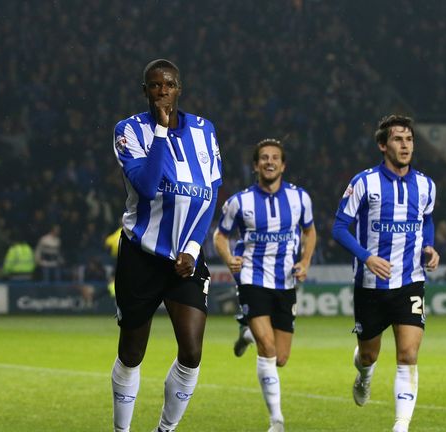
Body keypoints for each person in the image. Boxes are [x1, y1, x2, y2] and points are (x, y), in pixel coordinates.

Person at [110, 58, 221, 432]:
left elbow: (211, 194)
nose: (162, 91)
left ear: (179, 88)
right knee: (131, 353)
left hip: (185, 260)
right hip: (141, 255)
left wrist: (192, 247)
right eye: (155, 85)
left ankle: (164, 430)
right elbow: (146, 184)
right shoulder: (128, 131)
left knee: (191, 351)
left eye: (169, 84)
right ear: (145, 91)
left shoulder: (205, 130)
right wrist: (160, 130)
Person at [332, 115, 440, 432]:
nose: (405, 145)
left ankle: (400, 425)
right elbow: (339, 228)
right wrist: (367, 258)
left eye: (409, 139)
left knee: (408, 354)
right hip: (370, 285)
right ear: (383, 145)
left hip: (411, 280)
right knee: (369, 355)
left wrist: (430, 248)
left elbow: (428, 221)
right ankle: (364, 375)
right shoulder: (364, 182)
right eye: (397, 139)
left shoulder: (426, 185)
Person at [213, 139, 316, 432]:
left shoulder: (299, 198)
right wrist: (228, 257)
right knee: (268, 349)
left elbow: (310, 232)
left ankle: (246, 333)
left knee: (281, 358)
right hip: (252, 279)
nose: (269, 162)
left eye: (275, 158)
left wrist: (305, 262)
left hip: (285, 282)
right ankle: (277, 421)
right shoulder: (239, 202)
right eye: (264, 158)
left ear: (282, 165)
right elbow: (220, 236)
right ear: (256, 165)